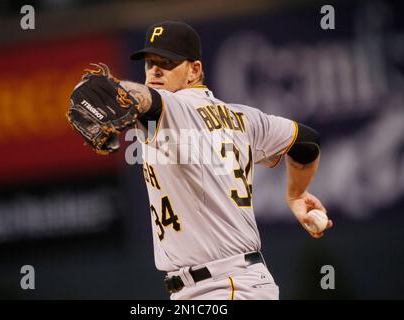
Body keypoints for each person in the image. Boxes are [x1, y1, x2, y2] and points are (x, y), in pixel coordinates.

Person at [78, 20, 333, 300]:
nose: (155, 71)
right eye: (150, 63)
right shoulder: (244, 118)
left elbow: (146, 99)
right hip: (220, 286)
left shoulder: (176, 106)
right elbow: (307, 142)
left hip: (226, 286)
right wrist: (296, 194)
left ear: (194, 70)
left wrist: (118, 90)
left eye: (166, 62)